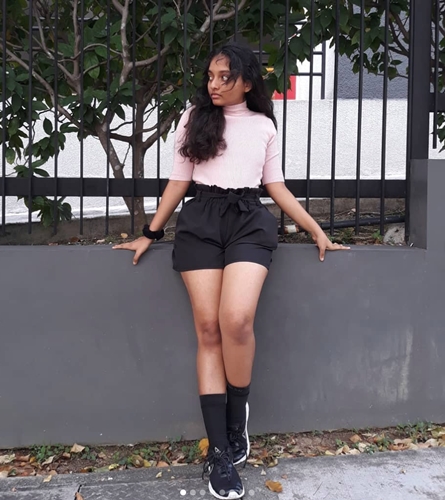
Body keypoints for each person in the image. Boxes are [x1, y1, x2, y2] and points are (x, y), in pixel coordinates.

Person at [113, 41, 348, 500]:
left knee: (236, 320)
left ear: (247, 81)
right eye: (210, 77)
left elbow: (275, 186)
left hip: (247, 221)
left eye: (225, 77)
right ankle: (219, 452)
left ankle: (237, 413)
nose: (214, 85)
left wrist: (316, 230)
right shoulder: (193, 118)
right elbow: (178, 181)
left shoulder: (263, 125)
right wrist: (150, 234)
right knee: (208, 329)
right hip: (200, 221)